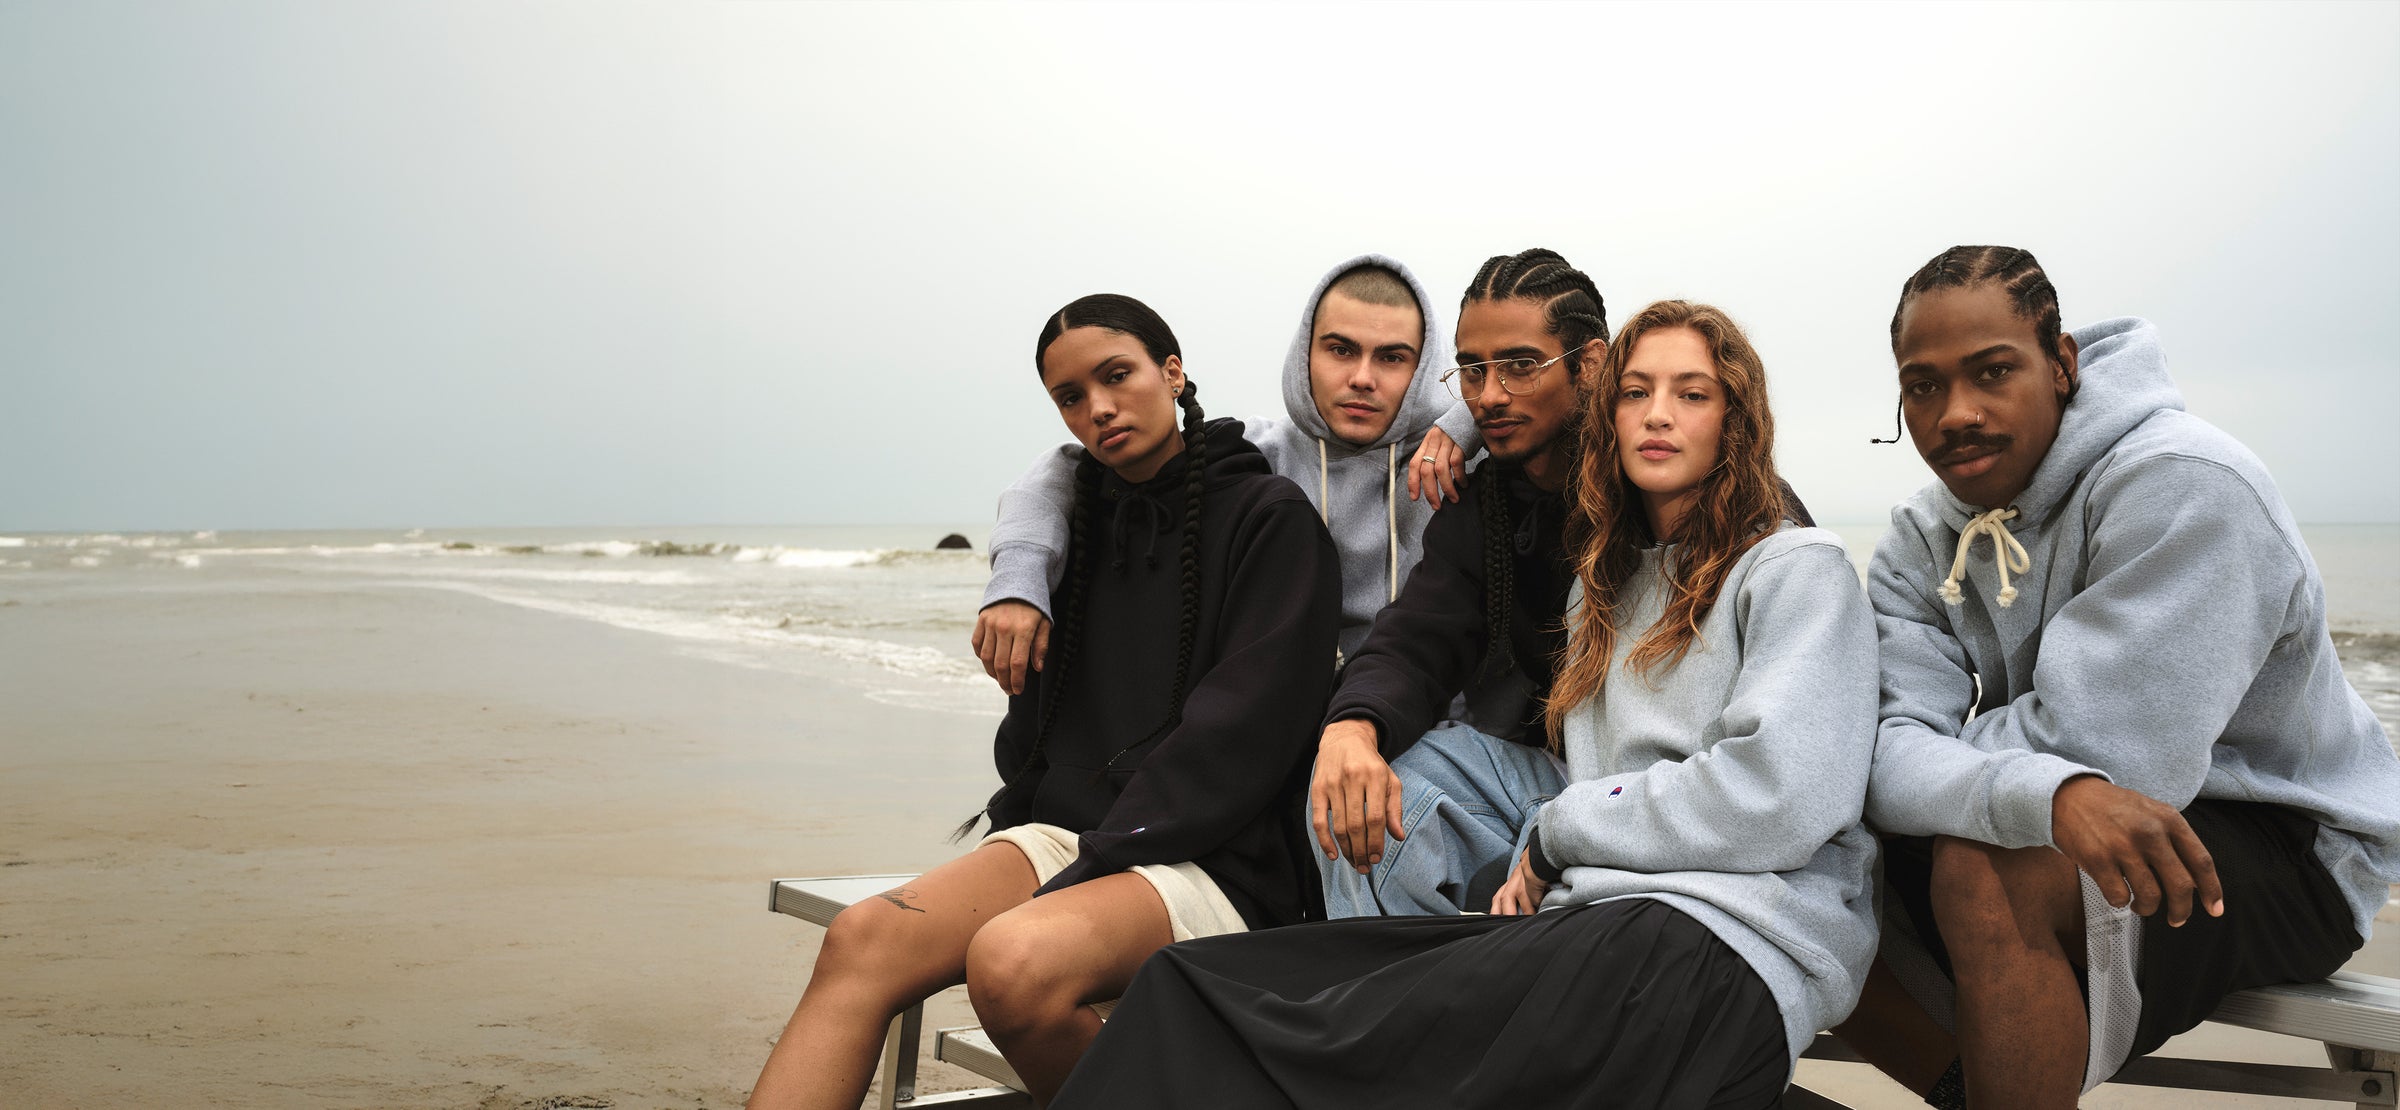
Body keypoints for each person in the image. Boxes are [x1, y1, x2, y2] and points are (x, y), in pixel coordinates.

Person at [1051, 300, 1881, 1110]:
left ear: (1735, 418)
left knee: (1309, 1036)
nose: (1658, 415)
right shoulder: (1605, 587)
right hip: (1598, 921)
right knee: (1192, 981)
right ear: (1610, 407)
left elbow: (1777, 796)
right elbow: (1424, 634)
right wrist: (1356, 727)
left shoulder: (1794, 566)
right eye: (1637, 393)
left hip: (1727, 943)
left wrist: (1556, 835)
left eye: (1692, 394)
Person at [1832, 246, 2400, 1109]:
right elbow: (1876, 754)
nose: (1957, 413)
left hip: (2293, 841)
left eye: (1992, 372)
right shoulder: (1920, 538)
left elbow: (2116, 754)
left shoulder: (2186, 484)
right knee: (1800, 868)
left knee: (1984, 865)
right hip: (2098, 811)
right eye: (1924, 386)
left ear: (2061, 364)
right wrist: (2045, 789)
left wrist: (1972, 765)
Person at [746, 294, 1341, 1109]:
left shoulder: (1270, 520)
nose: (1097, 408)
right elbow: (1034, 741)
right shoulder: (1073, 529)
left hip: (1220, 861)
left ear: (1173, 372)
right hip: (1082, 835)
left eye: (1116, 375)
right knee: (865, 938)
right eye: (1069, 396)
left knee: (1012, 964)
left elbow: (1243, 741)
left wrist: (1096, 859)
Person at [972, 255, 1475, 694]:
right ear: (1306, 354)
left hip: (1424, 722)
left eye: (1391, 357)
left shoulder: (1456, 461)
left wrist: (1466, 422)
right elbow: (1066, 469)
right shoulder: (1253, 453)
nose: (1362, 377)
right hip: (1290, 728)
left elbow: (1546, 420)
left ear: (1424, 366)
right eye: (1341, 350)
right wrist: (1018, 581)